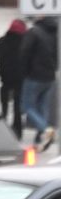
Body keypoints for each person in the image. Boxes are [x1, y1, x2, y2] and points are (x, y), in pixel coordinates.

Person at [20, 16, 59, 151]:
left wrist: (23, 71)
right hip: (49, 76)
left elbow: (24, 53)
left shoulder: (34, 32)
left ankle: (45, 129)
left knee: (27, 106)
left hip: (34, 75)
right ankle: (41, 136)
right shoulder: (55, 33)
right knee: (42, 106)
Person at [0, 17, 27, 141]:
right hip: (20, 79)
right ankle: (17, 130)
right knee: (18, 106)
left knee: (4, 105)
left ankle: (3, 128)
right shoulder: (25, 42)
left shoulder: (1, 42)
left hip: (5, 77)